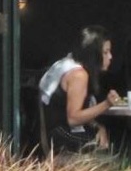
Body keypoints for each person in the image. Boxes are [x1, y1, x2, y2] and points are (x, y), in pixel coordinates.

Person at [37, 25, 121, 153]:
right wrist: (106, 104)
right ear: (93, 54)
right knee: (115, 145)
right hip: (61, 137)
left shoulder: (66, 63)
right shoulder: (78, 75)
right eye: (105, 52)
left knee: (105, 135)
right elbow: (73, 118)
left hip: (55, 133)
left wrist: (98, 127)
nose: (110, 57)